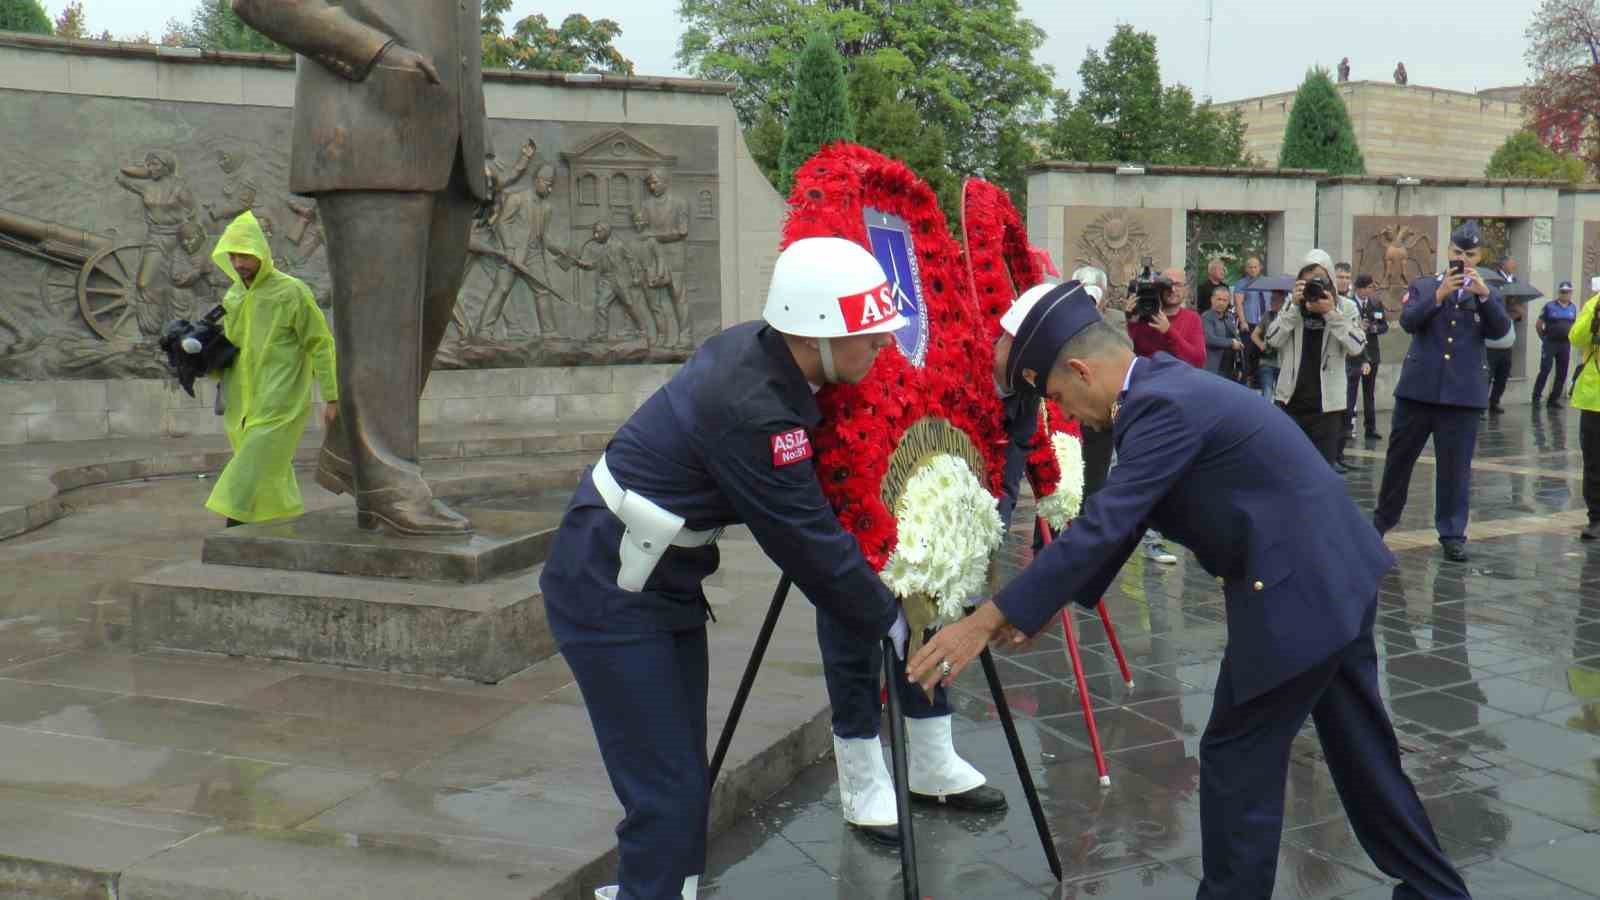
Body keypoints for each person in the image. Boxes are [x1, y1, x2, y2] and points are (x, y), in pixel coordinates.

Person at [905, 290, 1470, 900]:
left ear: (1081, 370)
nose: (1073, 415)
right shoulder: (1163, 388)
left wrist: (987, 619)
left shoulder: (1160, 406)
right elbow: (1125, 514)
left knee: (1236, 759)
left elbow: (1111, 521)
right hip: (1333, 576)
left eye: (1062, 400)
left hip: (1297, 592)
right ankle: (1435, 890)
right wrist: (1034, 607)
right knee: (1364, 757)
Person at [539, 237, 913, 900]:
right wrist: (888, 616)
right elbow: (804, 540)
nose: (882, 345)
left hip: (659, 582)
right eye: (870, 334)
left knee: (681, 778)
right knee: (669, 793)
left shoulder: (770, 360)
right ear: (817, 333)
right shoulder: (752, 406)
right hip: (611, 586)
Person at [233, 0, 488, 536]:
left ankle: (353, 454)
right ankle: (387, 484)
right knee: (380, 329)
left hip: (449, 148)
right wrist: (373, 52)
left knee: (424, 323)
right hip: (365, 125)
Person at [1373, 220, 1512, 562]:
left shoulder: (1488, 293)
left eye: (1470, 253)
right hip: (1418, 392)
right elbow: (1408, 322)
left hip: (1462, 397)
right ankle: (1381, 523)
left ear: (1479, 257)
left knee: (1455, 468)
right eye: (1457, 252)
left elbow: (1501, 333)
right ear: (1448, 251)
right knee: (1398, 461)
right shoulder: (1424, 286)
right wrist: (1439, 296)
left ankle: (1452, 532)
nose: (1462, 259)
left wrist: (1483, 297)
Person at [203, 212, 338, 528]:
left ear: (261, 251)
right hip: (241, 401)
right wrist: (202, 358)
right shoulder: (234, 295)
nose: (239, 263)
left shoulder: (292, 292)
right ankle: (281, 519)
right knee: (269, 467)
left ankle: (233, 524)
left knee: (249, 466)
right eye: (233, 255)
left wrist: (333, 397)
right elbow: (230, 349)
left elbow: (320, 343)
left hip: (280, 400)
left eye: (245, 254)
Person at [1127, 267, 1203, 564]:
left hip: (1179, 404)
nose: (1172, 289)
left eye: (1178, 285)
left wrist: (1168, 332)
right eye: (1166, 284)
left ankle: (1165, 535)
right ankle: (1142, 537)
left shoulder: (1191, 319)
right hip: (1144, 402)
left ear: (1185, 290)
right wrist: (1129, 320)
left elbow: (1196, 359)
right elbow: (1130, 352)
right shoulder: (1143, 319)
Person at [1266, 259, 1366, 468]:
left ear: (1330, 282)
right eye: (1308, 281)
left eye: (1321, 280)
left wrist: (1331, 313)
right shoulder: (1292, 303)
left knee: (1321, 471)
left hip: (1327, 407)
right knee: (1286, 468)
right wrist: (1293, 307)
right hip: (1289, 401)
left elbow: (1357, 346)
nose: (1315, 286)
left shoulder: (1345, 307)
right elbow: (1272, 340)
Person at [1073, 266, 1117, 498]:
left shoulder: (1116, 319)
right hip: (1067, 411)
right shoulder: (1064, 318)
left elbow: (1123, 351)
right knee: (1062, 479)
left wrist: (1096, 319)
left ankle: (1090, 527)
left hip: (1099, 413)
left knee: (1095, 480)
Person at [1570, 285, 1600, 540]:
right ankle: (1596, 518)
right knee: (1594, 463)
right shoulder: (1594, 304)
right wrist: (1594, 317)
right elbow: (1575, 338)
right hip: (1594, 399)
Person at [1347, 274, 1389, 437]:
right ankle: (1347, 427)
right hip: (1354, 354)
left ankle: (1370, 428)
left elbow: (1384, 326)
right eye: (1369, 287)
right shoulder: (1349, 304)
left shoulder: (1376, 303)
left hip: (1371, 354)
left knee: (1369, 392)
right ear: (1360, 288)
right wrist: (1358, 326)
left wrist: (1374, 329)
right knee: (1351, 392)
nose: (1371, 290)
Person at [1534, 282, 1578, 409]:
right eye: (1563, 292)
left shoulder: (1573, 308)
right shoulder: (1549, 306)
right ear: (1559, 293)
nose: (1565, 294)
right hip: (1550, 343)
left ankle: (1553, 399)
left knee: (1562, 373)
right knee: (1545, 370)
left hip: (1565, 344)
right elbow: (1539, 324)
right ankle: (1536, 397)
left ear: (1571, 293)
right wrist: (1544, 338)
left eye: (1567, 292)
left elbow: (1574, 326)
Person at [1200, 283, 1243, 378]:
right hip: (1213, 368)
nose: (1221, 303)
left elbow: (1237, 338)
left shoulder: (1229, 317)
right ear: (1212, 300)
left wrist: (1240, 366)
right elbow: (1209, 339)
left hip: (1231, 368)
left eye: (1225, 300)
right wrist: (1231, 343)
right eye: (1219, 299)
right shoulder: (1206, 317)